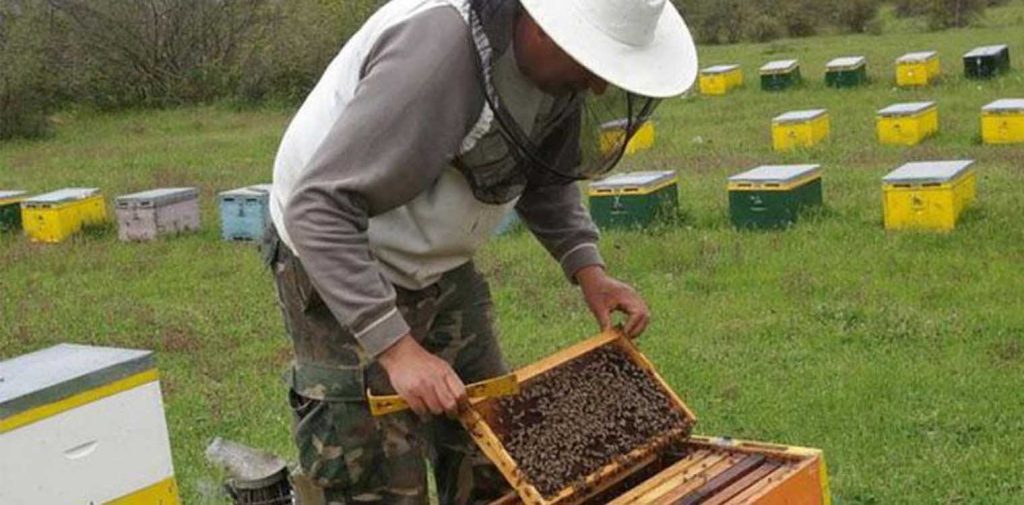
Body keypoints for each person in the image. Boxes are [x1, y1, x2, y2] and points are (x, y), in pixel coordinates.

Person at [262, 0, 697, 503]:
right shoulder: (435, 60)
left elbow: (544, 172)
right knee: (373, 477)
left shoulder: (554, 73)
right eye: (594, 64)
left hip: (439, 264)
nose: (599, 86)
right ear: (544, 28)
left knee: (491, 451)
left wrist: (589, 268)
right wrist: (397, 349)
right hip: (341, 254)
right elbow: (317, 208)